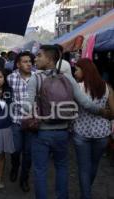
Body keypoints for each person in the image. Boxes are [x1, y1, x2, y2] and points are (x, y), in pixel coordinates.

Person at [24, 45, 110, 199]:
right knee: (62, 167)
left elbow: (27, 107)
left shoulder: (35, 79)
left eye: (39, 56)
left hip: (42, 132)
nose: (35, 59)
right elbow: (85, 103)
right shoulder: (69, 78)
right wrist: (102, 111)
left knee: (40, 170)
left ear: (50, 59)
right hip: (62, 132)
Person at [72, 58, 114, 199]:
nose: (75, 73)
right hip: (101, 133)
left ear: (85, 70)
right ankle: (86, 193)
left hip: (81, 133)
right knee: (94, 165)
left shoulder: (77, 87)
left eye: (76, 69)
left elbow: (71, 109)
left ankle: (86, 195)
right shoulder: (107, 87)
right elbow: (113, 112)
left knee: (84, 168)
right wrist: (105, 111)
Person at [7, 51, 34, 192]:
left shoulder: (37, 77)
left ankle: (24, 178)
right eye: (25, 61)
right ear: (18, 64)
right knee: (16, 150)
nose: (28, 64)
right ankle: (15, 166)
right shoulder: (11, 78)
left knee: (28, 153)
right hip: (16, 121)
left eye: (30, 61)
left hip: (31, 123)